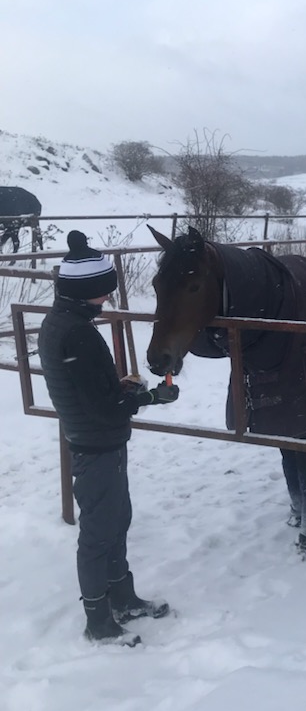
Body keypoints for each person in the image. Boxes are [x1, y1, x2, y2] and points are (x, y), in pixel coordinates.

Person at [38, 230, 180, 646]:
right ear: (89, 291)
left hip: (98, 439)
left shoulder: (64, 321)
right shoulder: (78, 334)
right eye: (104, 293)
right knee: (99, 532)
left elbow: (92, 391)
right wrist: (149, 396)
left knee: (117, 521)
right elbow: (100, 407)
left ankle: (123, 596)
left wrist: (123, 389)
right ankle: (98, 619)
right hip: (95, 444)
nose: (107, 301)